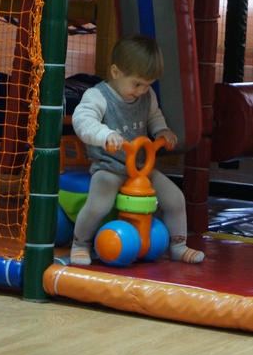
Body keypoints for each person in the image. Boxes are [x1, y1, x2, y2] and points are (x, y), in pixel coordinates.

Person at [69, 33, 204, 266]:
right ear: (115, 72)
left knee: (175, 199)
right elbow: (82, 121)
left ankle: (178, 246)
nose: (142, 90)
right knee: (99, 205)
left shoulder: (146, 96)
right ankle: (80, 244)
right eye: (137, 84)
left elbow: (153, 116)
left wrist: (161, 131)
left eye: (148, 85)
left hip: (141, 169)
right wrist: (105, 135)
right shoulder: (98, 96)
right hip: (109, 167)